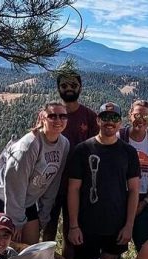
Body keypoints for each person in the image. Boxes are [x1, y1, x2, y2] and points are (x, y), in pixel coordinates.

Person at [66, 102, 140, 259]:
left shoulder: (128, 152)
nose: (109, 121)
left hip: (115, 224)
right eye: (105, 117)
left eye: (114, 118)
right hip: (86, 223)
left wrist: (129, 225)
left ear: (120, 122)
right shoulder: (83, 150)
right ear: (98, 120)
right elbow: (73, 189)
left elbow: (134, 190)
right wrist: (73, 225)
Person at [0, 102, 70, 245]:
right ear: (42, 117)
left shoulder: (64, 144)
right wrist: (15, 222)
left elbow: (53, 182)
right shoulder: (28, 146)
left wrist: (43, 215)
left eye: (63, 116)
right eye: (52, 116)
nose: (58, 120)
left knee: (30, 248)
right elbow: (14, 186)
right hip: (0, 196)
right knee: (2, 248)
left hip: (26, 200)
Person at [43, 68, 100, 246]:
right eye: (64, 85)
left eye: (73, 85)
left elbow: (97, 149)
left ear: (80, 87)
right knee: (48, 226)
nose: (69, 88)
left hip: (77, 183)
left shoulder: (90, 116)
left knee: (72, 229)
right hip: (50, 181)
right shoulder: (50, 116)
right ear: (58, 88)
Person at [116, 100, 148, 250]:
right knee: (114, 249)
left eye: (145, 116)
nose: (141, 120)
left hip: (143, 198)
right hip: (120, 198)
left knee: (146, 247)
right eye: (137, 115)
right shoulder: (120, 137)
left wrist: (145, 201)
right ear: (130, 115)